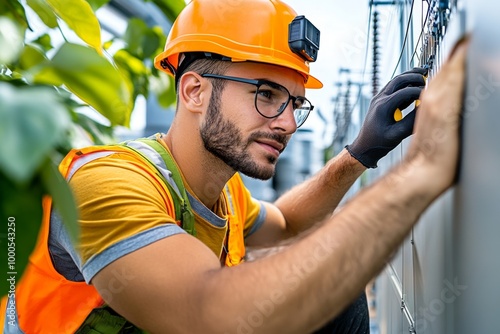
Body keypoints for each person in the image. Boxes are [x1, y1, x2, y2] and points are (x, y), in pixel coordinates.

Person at [1, 0, 468, 333]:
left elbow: (285, 222)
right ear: (194, 92)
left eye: (295, 104)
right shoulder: (107, 183)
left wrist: (357, 156)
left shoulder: (220, 194)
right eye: (266, 95)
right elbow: (207, 314)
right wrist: (419, 175)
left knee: (335, 308)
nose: (287, 123)